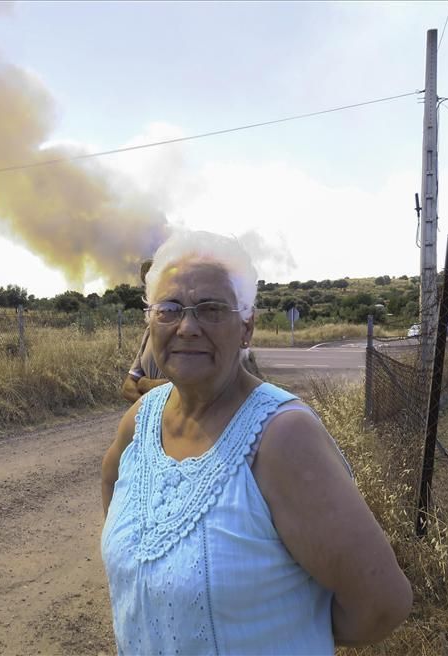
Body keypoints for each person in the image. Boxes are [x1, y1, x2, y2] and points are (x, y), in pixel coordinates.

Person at [101, 231, 411, 654]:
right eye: (169, 309)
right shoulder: (139, 421)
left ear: (246, 327)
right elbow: (115, 507)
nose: (187, 327)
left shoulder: (282, 437)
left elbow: (381, 605)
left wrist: (285, 626)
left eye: (211, 309)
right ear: (150, 322)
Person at [121, 260, 170, 403]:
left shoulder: (187, 332)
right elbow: (128, 387)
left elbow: (191, 388)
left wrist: (145, 384)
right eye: (149, 286)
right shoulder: (149, 332)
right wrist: (150, 411)